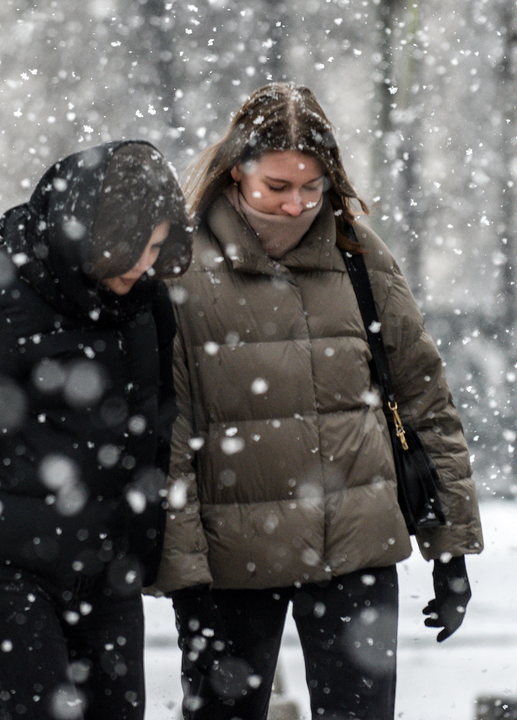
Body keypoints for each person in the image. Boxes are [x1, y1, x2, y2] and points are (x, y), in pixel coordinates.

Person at [147, 82, 484, 720]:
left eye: (312, 187)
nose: (296, 205)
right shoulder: (181, 272)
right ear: (235, 172)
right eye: (276, 187)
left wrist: (451, 548)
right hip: (232, 560)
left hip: (356, 549)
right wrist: (184, 574)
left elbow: (423, 401)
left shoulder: (359, 257)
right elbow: (171, 434)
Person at [0, 141, 193, 719]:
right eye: (134, 249)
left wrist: (152, 541)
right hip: (5, 570)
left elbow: (158, 422)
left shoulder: (145, 301)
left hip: (106, 568)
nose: (144, 264)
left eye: (158, 248)